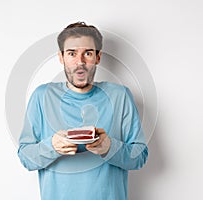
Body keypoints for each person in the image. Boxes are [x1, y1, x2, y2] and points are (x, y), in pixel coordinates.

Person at [17, 22, 148, 200]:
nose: (80, 62)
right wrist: (52, 146)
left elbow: (139, 156)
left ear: (98, 57)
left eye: (88, 53)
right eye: (72, 53)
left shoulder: (120, 96)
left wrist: (109, 147)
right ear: (61, 57)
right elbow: (26, 158)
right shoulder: (42, 96)